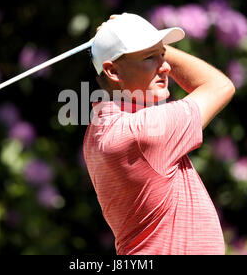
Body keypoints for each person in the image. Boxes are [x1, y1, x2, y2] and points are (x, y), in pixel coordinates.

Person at [83, 13, 235, 255]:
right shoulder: (143, 132)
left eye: (163, 55)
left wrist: (149, 44)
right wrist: (160, 46)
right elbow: (220, 86)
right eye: (149, 57)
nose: (165, 66)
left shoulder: (98, 129)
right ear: (112, 71)